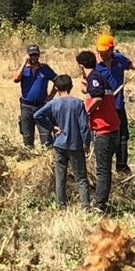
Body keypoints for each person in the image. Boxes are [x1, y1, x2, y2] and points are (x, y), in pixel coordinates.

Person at [33, 75, 91, 209]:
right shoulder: (78, 103)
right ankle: (85, 206)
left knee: (60, 176)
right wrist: (86, 144)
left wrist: (52, 127)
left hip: (59, 144)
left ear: (56, 88)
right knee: (81, 177)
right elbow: (83, 126)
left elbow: (37, 115)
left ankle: (61, 205)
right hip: (75, 145)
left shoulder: (53, 103)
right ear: (71, 87)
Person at [94, 34, 135, 176]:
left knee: (123, 136)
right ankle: (104, 169)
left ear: (112, 49)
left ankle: (122, 167)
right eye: (100, 52)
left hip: (118, 105)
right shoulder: (94, 65)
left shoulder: (119, 59)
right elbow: (84, 84)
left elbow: (131, 65)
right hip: (104, 108)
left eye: (105, 52)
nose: (102, 54)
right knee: (106, 138)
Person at [77, 50, 120, 213]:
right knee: (104, 166)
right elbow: (96, 91)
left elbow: (97, 98)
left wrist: (85, 111)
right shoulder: (97, 78)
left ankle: (100, 205)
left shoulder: (94, 78)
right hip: (110, 127)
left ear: (81, 66)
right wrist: (85, 86)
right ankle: (102, 200)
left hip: (105, 129)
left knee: (102, 168)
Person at [12, 43, 57, 148]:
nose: (33, 57)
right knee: (27, 136)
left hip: (41, 106)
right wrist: (23, 63)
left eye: (35, 55)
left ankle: (46, 158)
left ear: (39, 55)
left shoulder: (44, 68)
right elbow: (15, 79)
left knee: (46, 137)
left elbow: (57, 81)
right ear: (28, 55)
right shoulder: (23, 69)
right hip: (26, 107)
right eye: (31, 55)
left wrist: (51, 96)